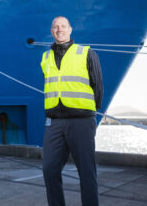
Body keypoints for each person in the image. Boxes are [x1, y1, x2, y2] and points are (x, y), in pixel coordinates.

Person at [40, 16, 103, 206]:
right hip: (54, 122)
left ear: (70, 29)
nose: (60, 30)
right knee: (49, 168)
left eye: (63, 26)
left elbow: (97, 85)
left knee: (86, 171)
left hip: (81, 120)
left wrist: (89, 112)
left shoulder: (86, 52)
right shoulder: (45, 57)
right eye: (56, 27)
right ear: (52, 31)